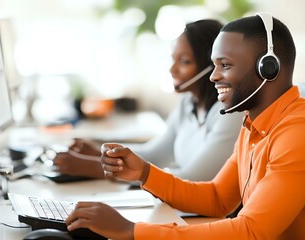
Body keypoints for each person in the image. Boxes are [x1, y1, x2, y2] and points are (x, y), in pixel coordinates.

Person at [65, 13, 305, 239]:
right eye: (214, 65)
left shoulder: (303, 132)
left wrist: (132, 231)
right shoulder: (254, 123)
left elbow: (252, 231)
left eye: (225, 65)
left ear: (268, 68)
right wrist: (145, 173)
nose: (213, 77)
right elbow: (217, 198)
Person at [53, 19, 244, 181]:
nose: (172, 70)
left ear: (213, 65)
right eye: (173, 59)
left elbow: (191, 179)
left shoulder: (230, 113)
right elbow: (155, 154)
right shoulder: (188, 103)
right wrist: (100, 155)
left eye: (184, 61)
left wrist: (94, 168)